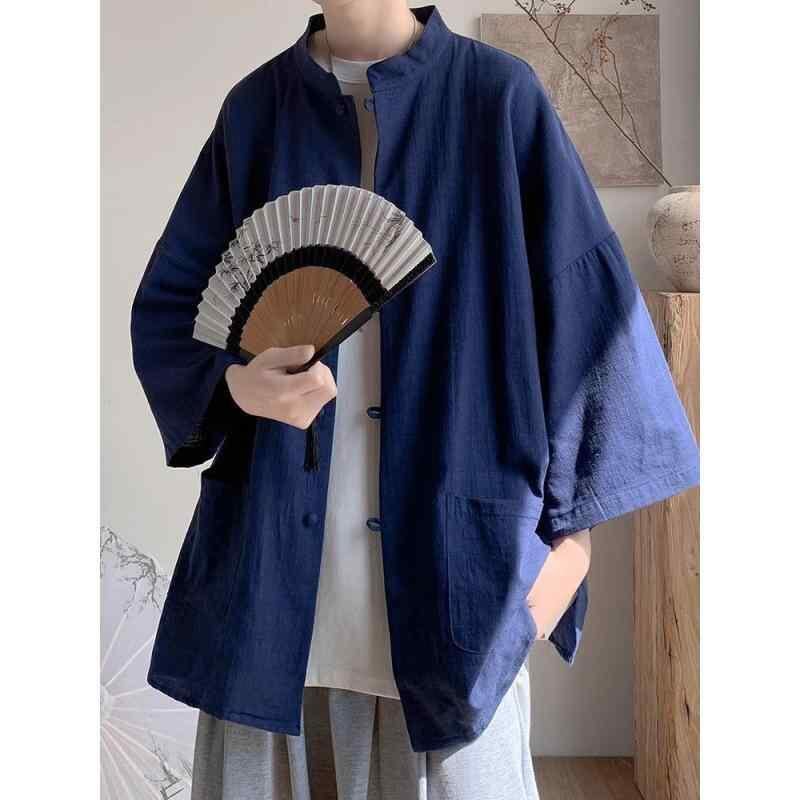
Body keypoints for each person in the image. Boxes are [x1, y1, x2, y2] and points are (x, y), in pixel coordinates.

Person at [130, 3, 699, 798]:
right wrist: (236, 383)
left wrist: (572, 548)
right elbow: (172, 308)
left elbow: (588, 323)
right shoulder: (255, 110)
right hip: (275, 582)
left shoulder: (498, 97)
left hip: (460, 576)